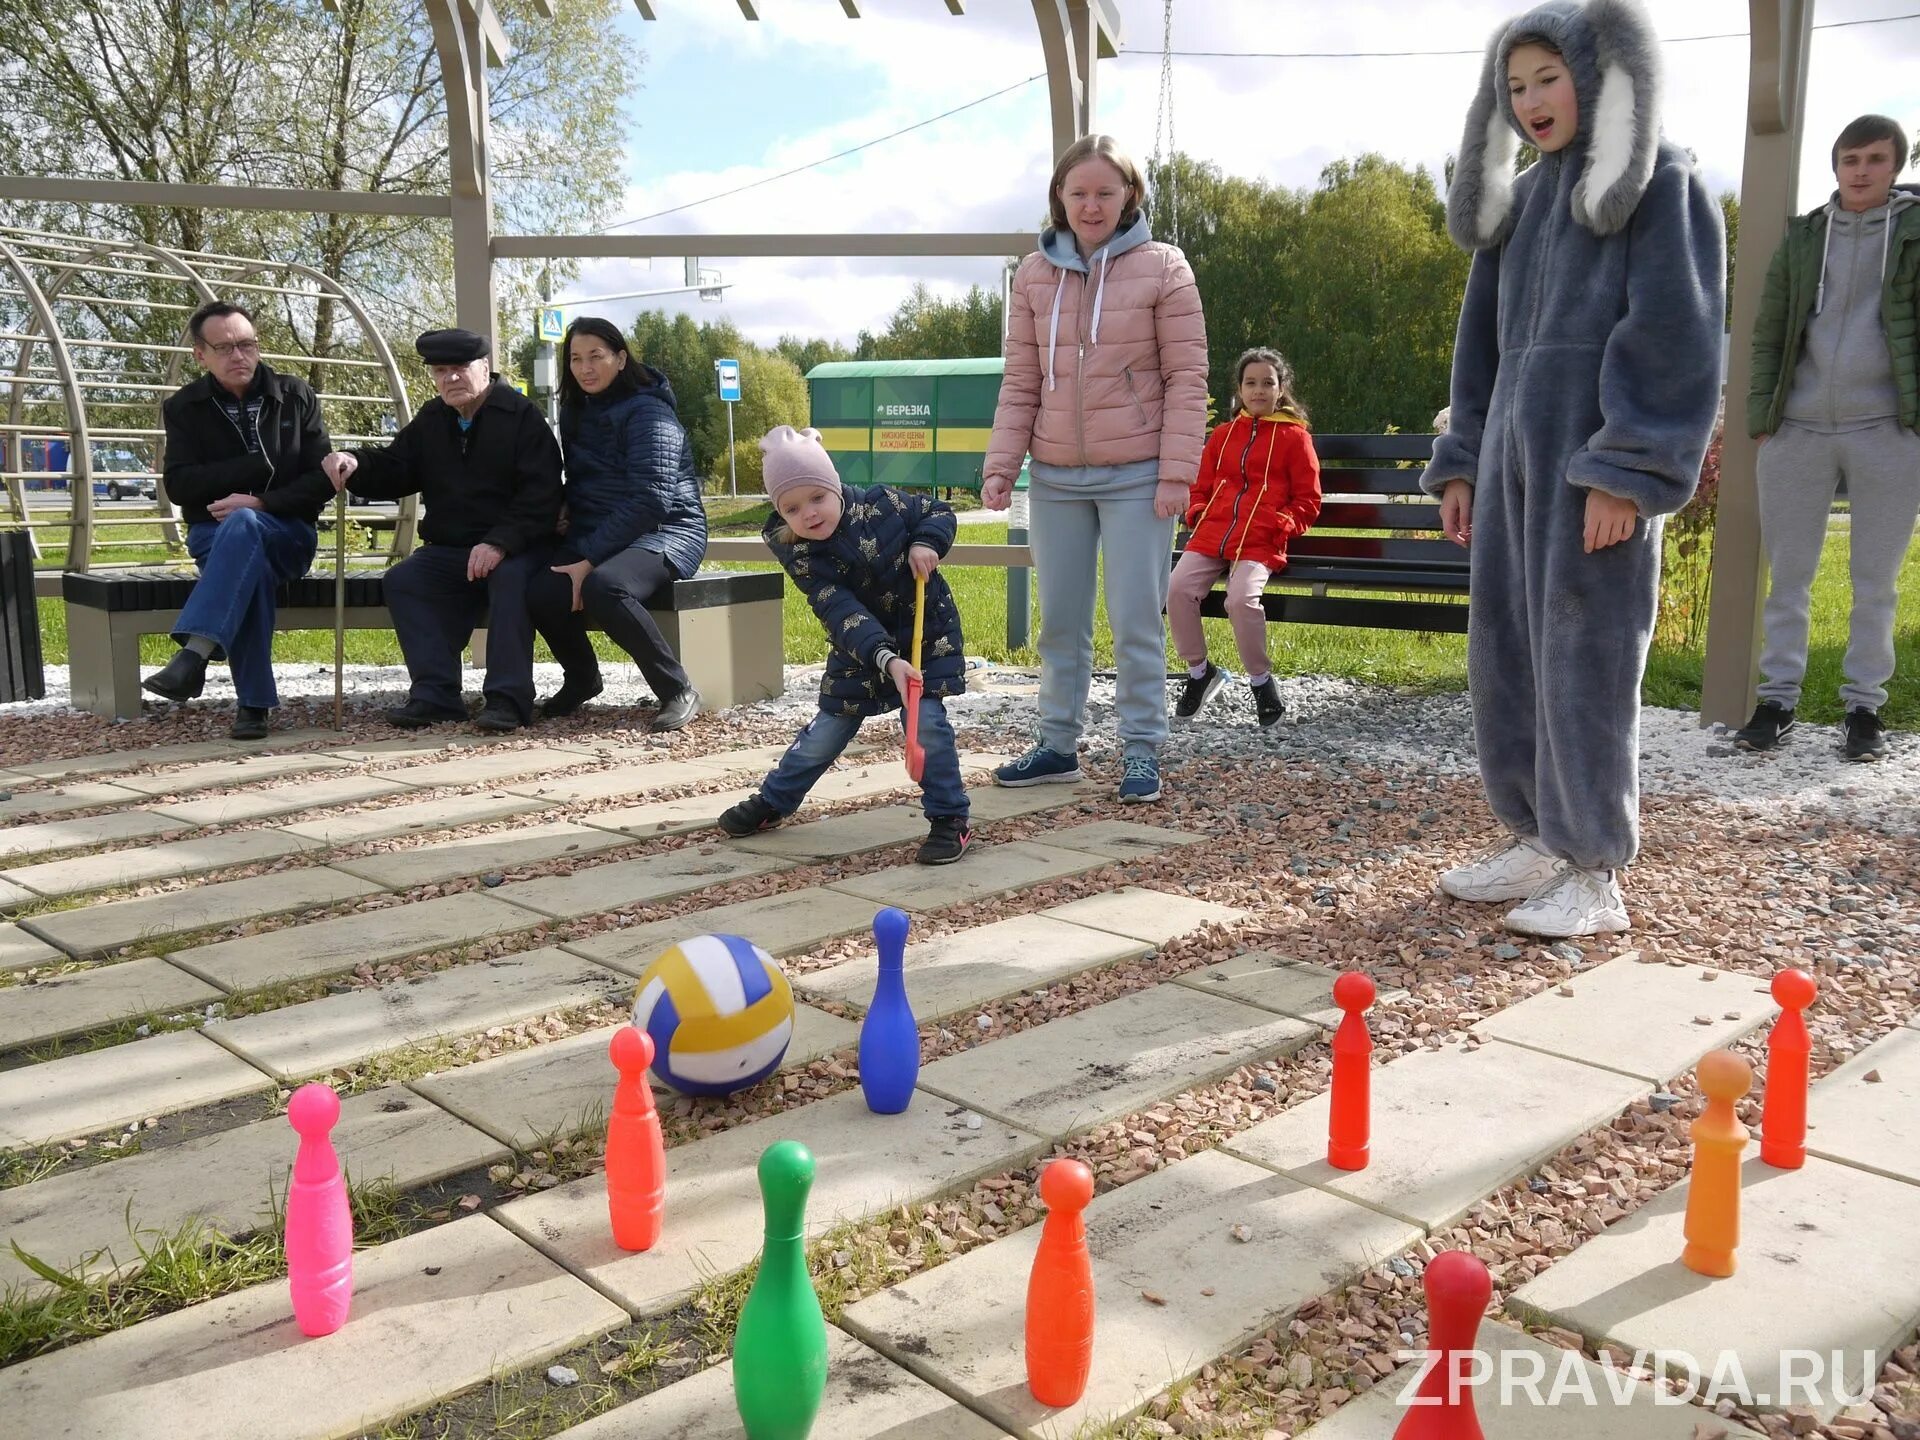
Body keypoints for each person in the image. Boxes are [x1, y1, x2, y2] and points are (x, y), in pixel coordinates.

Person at [1422, 0, 1724, 938]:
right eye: (1515, 87)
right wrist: (1462, 459)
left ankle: (1595, 868)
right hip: (1510, 459)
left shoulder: (1660, 184)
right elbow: (1479, 349)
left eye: (1548, 78)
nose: (1532, 101)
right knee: (1507, 649)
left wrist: (1626, 471)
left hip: (1590, 467)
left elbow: (1675, 336)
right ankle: (1535, 834)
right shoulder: (1522, 202)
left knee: (1585, 656)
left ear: (1599, 76)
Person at [980, 133, 1209, 804]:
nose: (1091, 204)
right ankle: (1056, 745)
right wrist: (1003, 465)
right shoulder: (1032, 275)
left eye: (1105, 192)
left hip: (1139, 473)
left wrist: (1176, 473)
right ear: (1058, 197)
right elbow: (1021, 380)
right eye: (1077, 192)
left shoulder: (1165, 268)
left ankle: (1141, 752)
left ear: (1129, 196)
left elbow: (1187, 378)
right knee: (1060, 621)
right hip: (1054, 476)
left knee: (1136, 617)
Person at [1736, 113, 1920, 762]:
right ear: (1835, 165)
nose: (1861, 171)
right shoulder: (1804, 237)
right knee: (1788, 576)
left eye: (1875, 159)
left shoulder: (1915, 233)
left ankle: (1864, 709)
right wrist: (1763, 418)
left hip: (1888, 432)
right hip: (1798, 428)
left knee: (1876, 580)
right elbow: (1768, 329)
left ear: (1895, 166)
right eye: (1850, 159)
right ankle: (1776, 702)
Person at [718, 426, 970, 866]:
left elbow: (938, 511)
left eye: (817, 497)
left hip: (924, 638)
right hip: (860, 651)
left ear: (834, 485)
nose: (809, 514)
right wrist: (886, 660)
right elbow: (843, 613)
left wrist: (926, 541)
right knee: (825, 733)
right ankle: (775, 801)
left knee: (925, 723)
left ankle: (951, 819)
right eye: (792, 508)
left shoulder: (882, 503)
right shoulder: (802, 555)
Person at [321, 329, 561, 732]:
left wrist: (499, 542)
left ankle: (507, 699)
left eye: (460, 369)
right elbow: (398, 467)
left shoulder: (521, 418)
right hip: (450, 549)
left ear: (484, 368)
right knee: (405, 579)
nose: (450, 379)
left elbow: (542, 495)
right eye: (441, 371)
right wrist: (356, 462)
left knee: (510, 580)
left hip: (517, 547)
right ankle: (436, 696)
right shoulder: (433, 419)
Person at [144, 301, 337, 740]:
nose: (239, 356)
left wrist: (261, 503)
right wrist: (251, 468)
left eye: (247, 345)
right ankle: (251, 706)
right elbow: (178, 486)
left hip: (288, 532)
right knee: (248, 563)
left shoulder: (295, 395)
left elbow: (322, 480)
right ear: (201, 355)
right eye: (226, 347)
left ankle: (197, 654)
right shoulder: (184, 408)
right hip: (213, 536)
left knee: (247, 527)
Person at [523, 316, 707, 731]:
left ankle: (676, 689)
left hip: (667, 530)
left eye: (596, 356)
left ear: (620, 359)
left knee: (606, 587)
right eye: (575, 358)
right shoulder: (575, 412)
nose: (585, 367)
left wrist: (588, 559)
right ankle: (583, 677)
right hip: (601, 528)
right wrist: (565, 505)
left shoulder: (649, 412)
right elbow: (588, 476)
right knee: (541, 590)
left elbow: (652, 498)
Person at [1167, 347, 1322, 728]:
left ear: (1281, 388)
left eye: (1267, 383)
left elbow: (1308, 499)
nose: (1258, 390)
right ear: (1239, 389)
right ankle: (1201, 672)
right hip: (1213, 533)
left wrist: (1280, 525)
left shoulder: (1295, 438)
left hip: (1260, 539)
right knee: (1175, 589)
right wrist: (1199, 513)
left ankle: (1261, 681)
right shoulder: (1222, 435)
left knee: (1240, 600)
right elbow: (1201, 486)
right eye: (1250, 383)